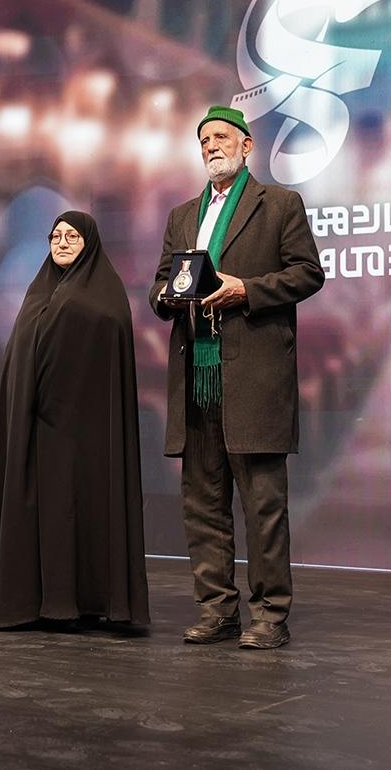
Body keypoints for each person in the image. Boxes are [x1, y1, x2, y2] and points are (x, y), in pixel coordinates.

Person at [149, 106, 323, 648]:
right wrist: (165, 297)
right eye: (204, 140)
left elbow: (308, 273)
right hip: (195, 380)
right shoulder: (182, 215)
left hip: (254, 377)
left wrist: (246, 290)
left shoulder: (280, 204)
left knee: (263, 505)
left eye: (221, 137)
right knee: (203, 504)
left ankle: (269, 615)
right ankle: (217, 610)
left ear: (247, 146)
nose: (211, 146)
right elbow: (161, 283)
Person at [0, 211, 151, 629]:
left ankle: (86, 600)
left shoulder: (104, 297)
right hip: (38, 428)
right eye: (55, 236)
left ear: (89, 243)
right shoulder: (38, 292)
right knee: (45, 513)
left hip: (86, 432)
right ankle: (36, 602)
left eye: (72, 236)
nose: (62, 242)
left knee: (81, 512)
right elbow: (21, 356)